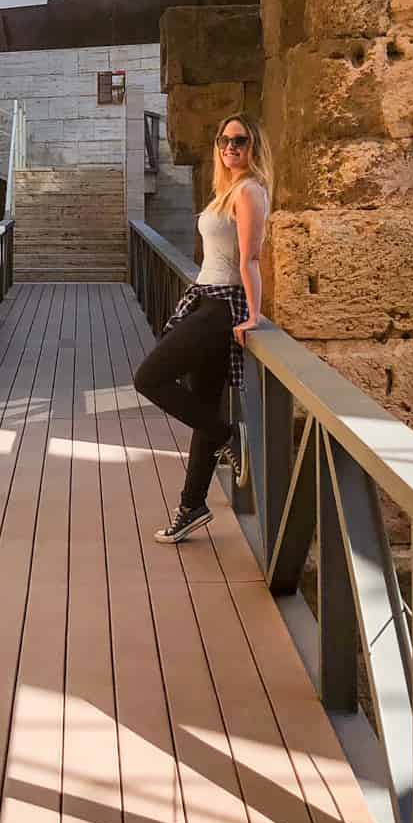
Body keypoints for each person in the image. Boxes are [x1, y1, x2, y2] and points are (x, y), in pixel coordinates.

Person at [134, 113, 273, 544]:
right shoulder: (225, 190)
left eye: (240, 140)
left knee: (149, 377)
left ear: (254, 146)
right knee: (205, 403)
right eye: (224, 139)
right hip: (203, 297)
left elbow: (250, 259)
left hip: (221, 307)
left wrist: (252, 314)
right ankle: (192, 505)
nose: (230, 147)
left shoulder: (249, 191)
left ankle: (223, 434)